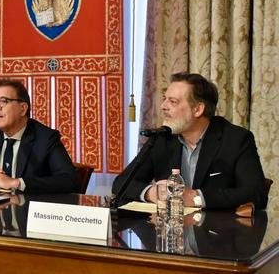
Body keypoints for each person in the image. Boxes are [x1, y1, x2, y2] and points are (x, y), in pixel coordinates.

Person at [112, 72, 267, 210]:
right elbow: (121, 183)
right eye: (165, 99)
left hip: (215, 231)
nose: (163, 106)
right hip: (170, 229)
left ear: (198, 109)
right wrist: (151, 193)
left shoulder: (235, 139)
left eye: (173, 101)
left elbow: (256, 192)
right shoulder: (162, 138)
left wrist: (196, 198)